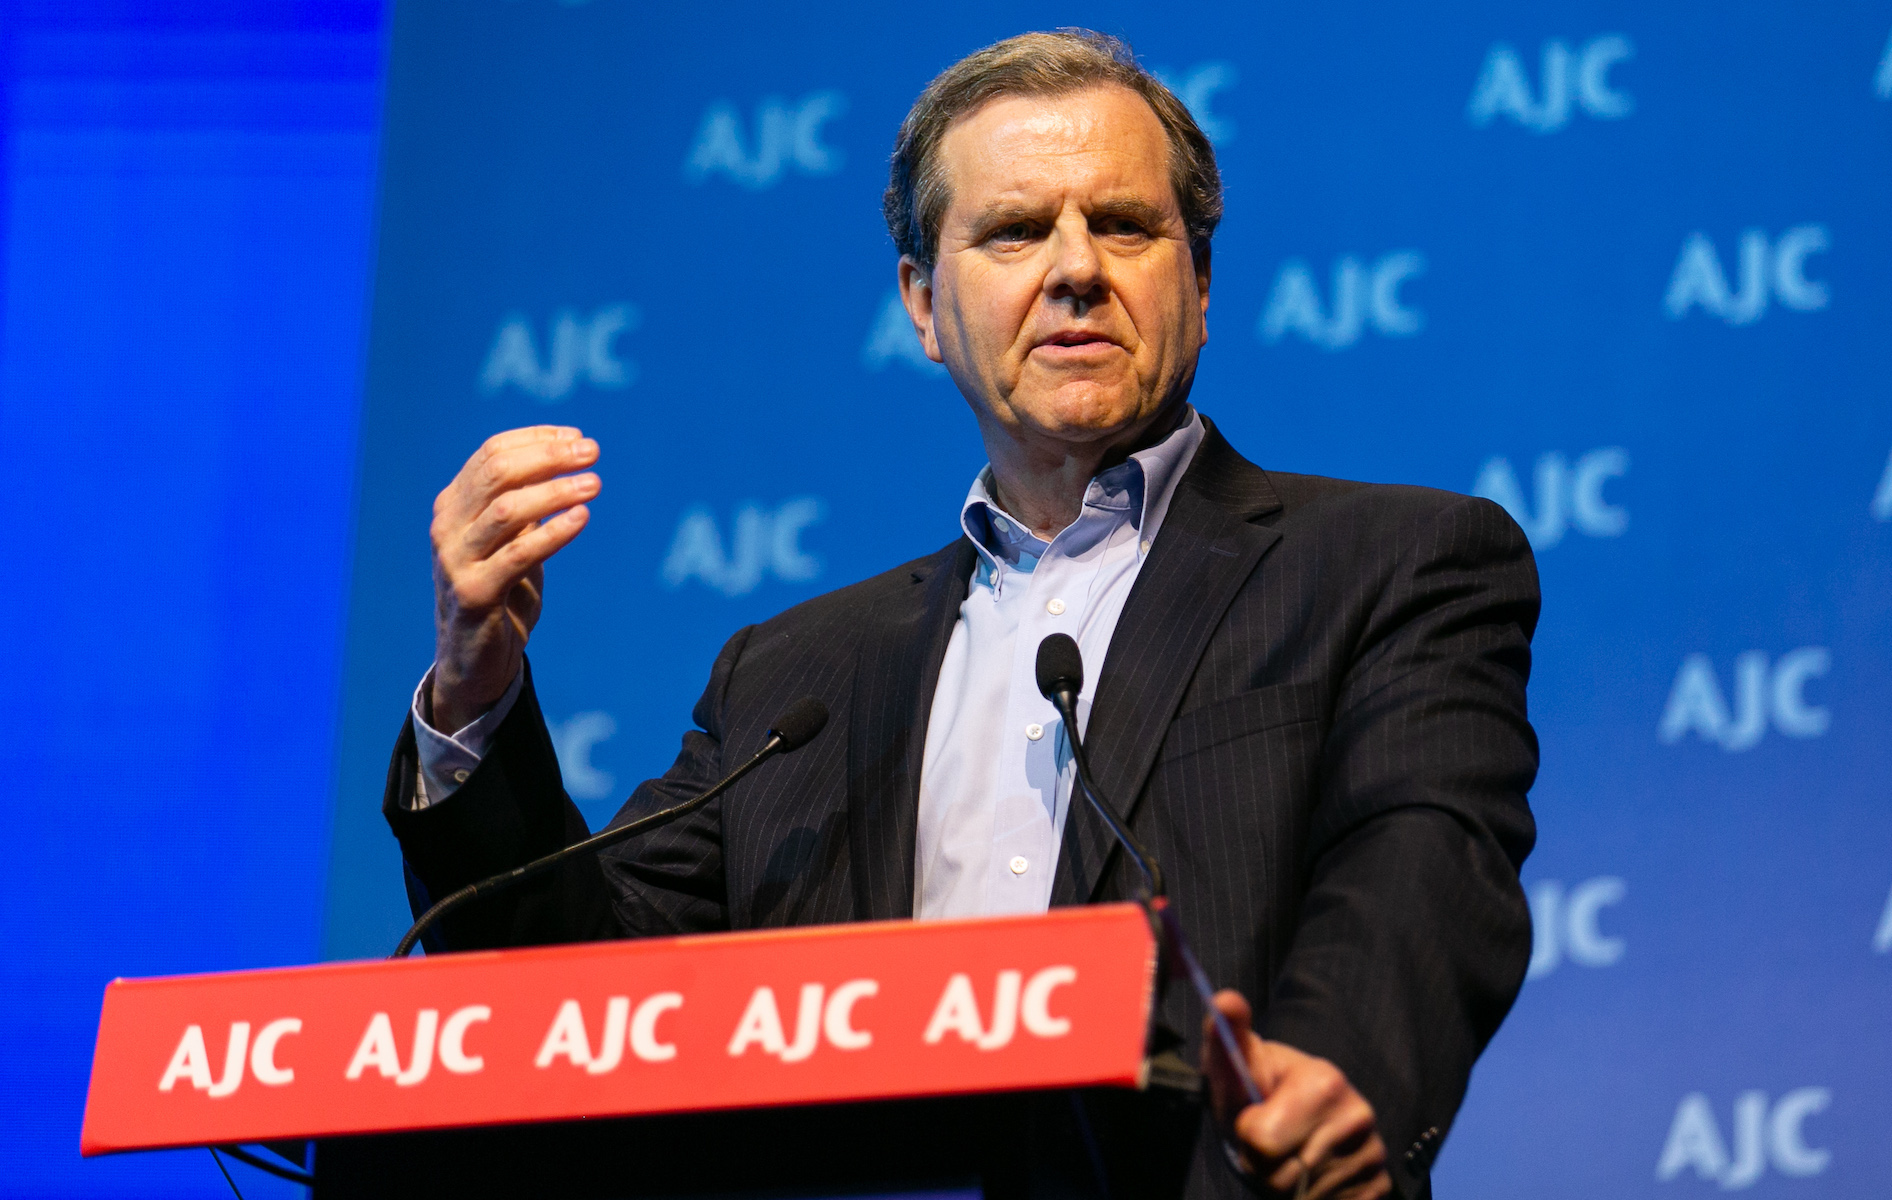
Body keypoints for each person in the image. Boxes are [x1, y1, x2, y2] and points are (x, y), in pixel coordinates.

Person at [385, 29, 1538, 1200]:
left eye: (1127, 225)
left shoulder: (1391, 564)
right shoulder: (794, 675)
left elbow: (1421, 858)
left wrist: (1341, 1073)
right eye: (1016, 231)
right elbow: (580, 993)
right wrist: (474, 691)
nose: (1078, 268)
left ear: (1200, 287)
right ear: (925, 306)